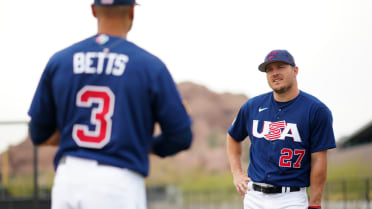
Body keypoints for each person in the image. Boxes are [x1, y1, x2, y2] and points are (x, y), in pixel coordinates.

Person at [28, 1, 193, 209]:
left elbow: (38, 133)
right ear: (132, 11)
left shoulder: (60, 61)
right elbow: (181, 137)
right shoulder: (149, 66)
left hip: (68, 180)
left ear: (94, 10)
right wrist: (141, 142)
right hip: (117, 182)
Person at [226, 49, 336, 209]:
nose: (274, 73)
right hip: (254, 197)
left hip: (291, 198)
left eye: (280, 67)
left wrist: (315, 203)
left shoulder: (316, 110)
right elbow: (233, 137)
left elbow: (319, 159)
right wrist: (236, 173)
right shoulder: (252, 106)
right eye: (269, 69)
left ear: (295, 70)